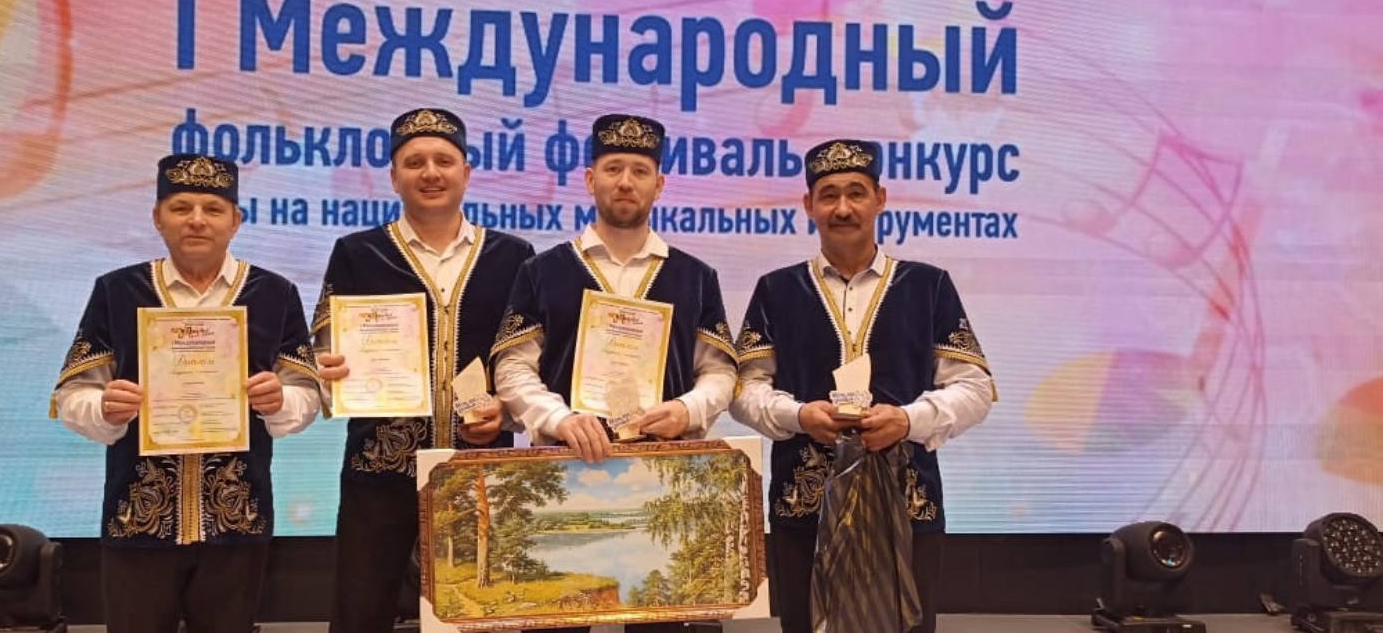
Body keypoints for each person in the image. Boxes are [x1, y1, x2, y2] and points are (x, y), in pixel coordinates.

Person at [728, 138, 996, 633]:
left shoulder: (929, 286)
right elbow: (743, 389)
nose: (843, 208)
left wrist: (908, 419)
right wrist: (798, 415)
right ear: (808, 205)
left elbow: (975, 388)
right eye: (828, 195)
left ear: (880, 198)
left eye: (856, 192)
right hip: (804, 502)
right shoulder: (777, 289)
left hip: (907, 499)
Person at [51, 153, 322, 633]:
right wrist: (105, 409)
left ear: (236, 220)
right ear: (157, 216)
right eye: (181, 207)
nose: (197, 220)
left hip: (238, 518)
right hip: (138, 518)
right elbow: (73, 396)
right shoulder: (117, 291)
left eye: (213, 209)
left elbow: (306, 393)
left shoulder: (274, 293)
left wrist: (281, 402)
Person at [492, 113, 738, 633]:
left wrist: (687, 409)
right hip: (561, 475)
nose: (626, 182)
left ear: (659, 185)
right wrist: (558, 419)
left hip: (667, 482)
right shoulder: (542, 271)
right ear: (590, 179)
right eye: (613, 168)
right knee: (557, 620)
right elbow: (512, 367)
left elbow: (720, 373)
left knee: (664, 619)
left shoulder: (695, 276)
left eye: (640, 171)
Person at [312, 108, 536, 633]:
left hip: (479, 465)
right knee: (362, 610)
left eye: (443, 160)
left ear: (466, 172)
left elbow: (524, 361)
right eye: (414, 163)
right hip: (378, 465)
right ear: (394, 177)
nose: (430, 172)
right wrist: (326, 371)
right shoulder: (358, 253)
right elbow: (324, 349)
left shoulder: (513, 256)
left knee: (482, 615)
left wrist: (506, 411)